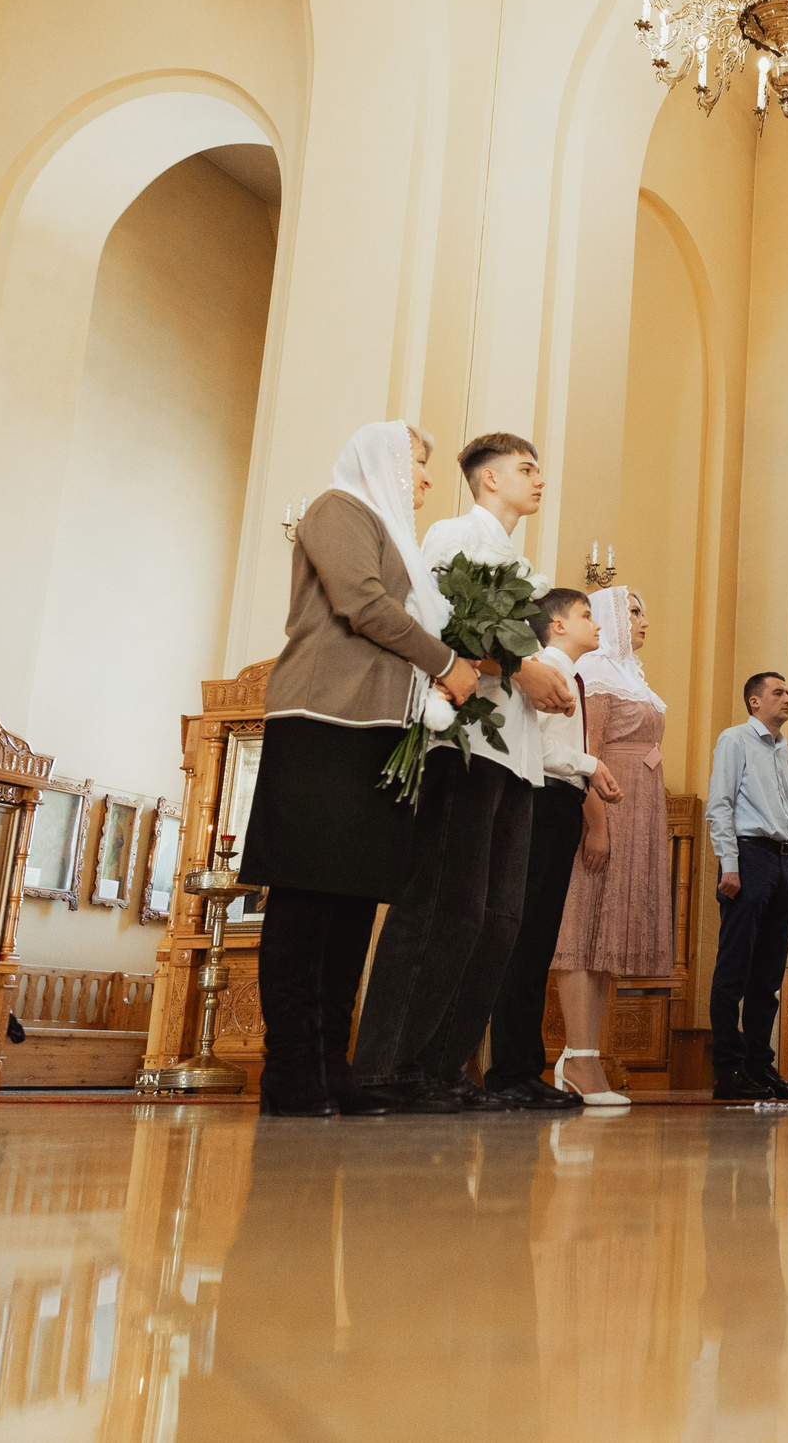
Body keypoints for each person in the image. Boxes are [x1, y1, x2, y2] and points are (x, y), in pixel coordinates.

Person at [243, 420, 479, 1117]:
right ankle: (288, 1067)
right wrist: (445, 663)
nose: (429, 478)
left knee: (350, 905)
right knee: (304, 903)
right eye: (418, 461)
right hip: (321, 722)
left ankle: (330, 1064)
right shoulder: (337, 508)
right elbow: (360, 602)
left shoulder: (384, 527)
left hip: (375, 727)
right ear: (381, 459)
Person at [350, 432, 572, 1115]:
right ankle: (384, 1065)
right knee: (443, 906)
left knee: (498, 917)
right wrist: (522, 666)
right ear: (487, 480)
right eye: (525, 469)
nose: (539, 479)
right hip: (464, 745)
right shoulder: (452, 536)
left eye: (539, 469)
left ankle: (444, 1065)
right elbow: (439, 631)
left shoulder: (523, 565)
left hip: (518, 756)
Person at [485, 585, 616, 1108]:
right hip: (539, 803)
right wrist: (590, 765)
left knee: (537, 940)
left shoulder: (569, 674)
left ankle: (521, 1068)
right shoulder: (544, 669)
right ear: (556, 624)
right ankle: (511, 1071)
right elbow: (531, 744)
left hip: (559, 804)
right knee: (524, 939)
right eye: (586, 614)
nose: (597, 623)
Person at [555, 585, 672, 1106]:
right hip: (608, 804)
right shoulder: (598, 673)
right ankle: (577, 1057)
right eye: (633, 611)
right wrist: (597, 824)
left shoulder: (632, 677)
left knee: (606, 942)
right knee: (586, 926)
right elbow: (588, 750)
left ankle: (589, 1055)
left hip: (639, 804)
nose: (643, 620)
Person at [705, 670, 788, 1103]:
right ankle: (727, 1070)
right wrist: (729, 864)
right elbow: (720, 804)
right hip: (747, 858)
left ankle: (759, 1066)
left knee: (768, 976)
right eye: (778, 692)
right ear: (755, 702)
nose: (787, 698)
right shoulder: (735, 740)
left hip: (783, 862)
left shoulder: (786, 751)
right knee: (735, 969)